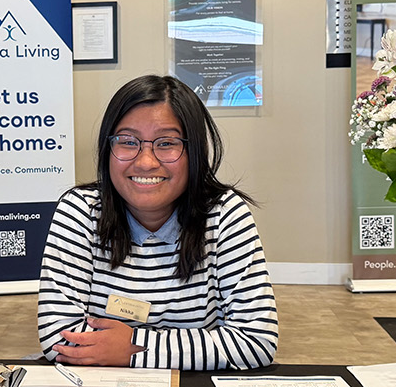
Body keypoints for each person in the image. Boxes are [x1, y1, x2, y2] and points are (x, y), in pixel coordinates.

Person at [38, 74, 278, 370]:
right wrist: (192, 349)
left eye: (166, 143)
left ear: (194, 152)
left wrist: (133, 349)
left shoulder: (224, 214)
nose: (146, 162)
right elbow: (58, 338)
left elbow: (257, 340)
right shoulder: (80, 211)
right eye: (128, 142)